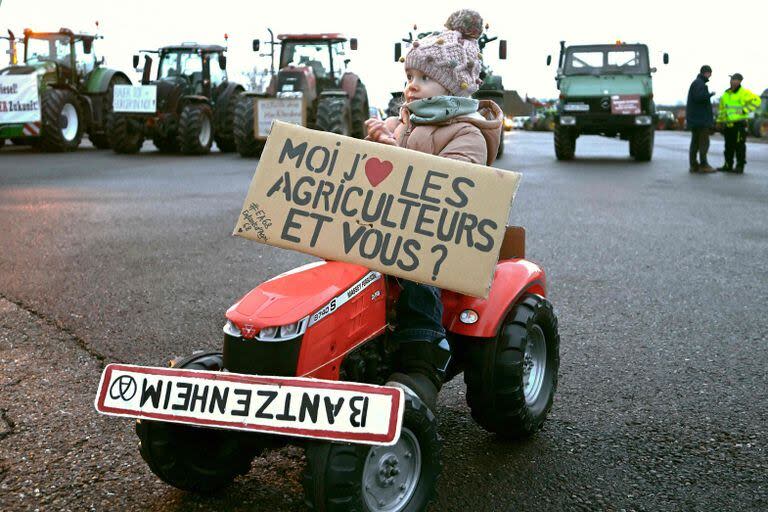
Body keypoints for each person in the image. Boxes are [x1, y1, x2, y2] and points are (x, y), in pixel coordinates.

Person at [364, 9, 502, 410]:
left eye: (423, 79)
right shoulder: (404, 121)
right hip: (389, 225)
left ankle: (421, 361)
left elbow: (457, 187)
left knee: (418, 278)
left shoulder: (467, 132)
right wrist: (376, 139)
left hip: (435, 239)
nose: (412, 87)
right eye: (409, 78)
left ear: (452, 85)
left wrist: (393, 150)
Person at [716, 73, 762, 173]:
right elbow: (722, 110)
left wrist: (745, 110)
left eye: (736, 80)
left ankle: (739, 167)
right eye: (732, 79)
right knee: (728, 147)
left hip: (739, 125)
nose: (733, 81)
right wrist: (719, 122)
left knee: (739, 147)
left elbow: (757, 100)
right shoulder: (725, 94)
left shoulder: (744, 92)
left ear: (740, 81)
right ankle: (728, 165)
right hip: (728, 126)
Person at [685, 65, 716, 173]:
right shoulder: (699, 84)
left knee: (695, 143)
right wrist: (709, 95)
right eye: (710, 73)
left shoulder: (697, 83)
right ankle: (703, 165)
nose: (710, 75)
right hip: (701, 121)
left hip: (695, 120)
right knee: (703, 143)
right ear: (706, 73)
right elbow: (699, 97)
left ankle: (693, 165)